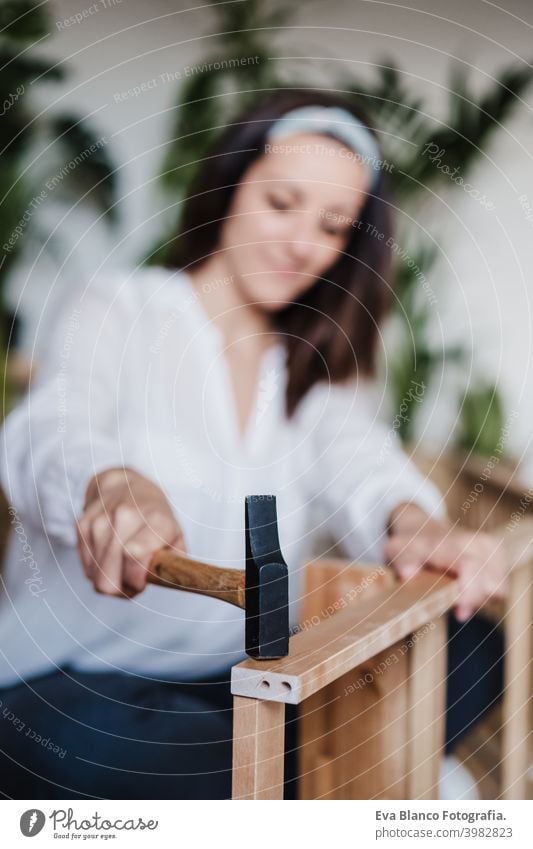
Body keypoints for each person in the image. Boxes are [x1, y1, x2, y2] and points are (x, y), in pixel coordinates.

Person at [0, 89, 506, 800]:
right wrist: (110, 482)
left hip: (248, 683)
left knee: (478, 647)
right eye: (281, 203)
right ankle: (332, 777)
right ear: (231, 183)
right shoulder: (119, 306)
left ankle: (273, 783)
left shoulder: (318, 363)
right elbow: (56, 424)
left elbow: (358, 458)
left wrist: (413, 523)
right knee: (66, 747)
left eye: (332, 226)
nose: (302, 244)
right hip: (84, 683)